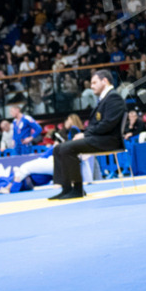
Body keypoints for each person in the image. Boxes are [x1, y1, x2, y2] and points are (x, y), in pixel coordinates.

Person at [50, 70, 124, 200]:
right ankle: (66, 188)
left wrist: (85, 135)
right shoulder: (104, 99)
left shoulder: (114, 97)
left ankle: (77, 189)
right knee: (58, 148)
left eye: (94, 82)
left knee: (67, 148)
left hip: (108, 140)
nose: (91, 86)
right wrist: (87, 134)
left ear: (105, 81)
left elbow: (108, 124)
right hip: (99, 138)